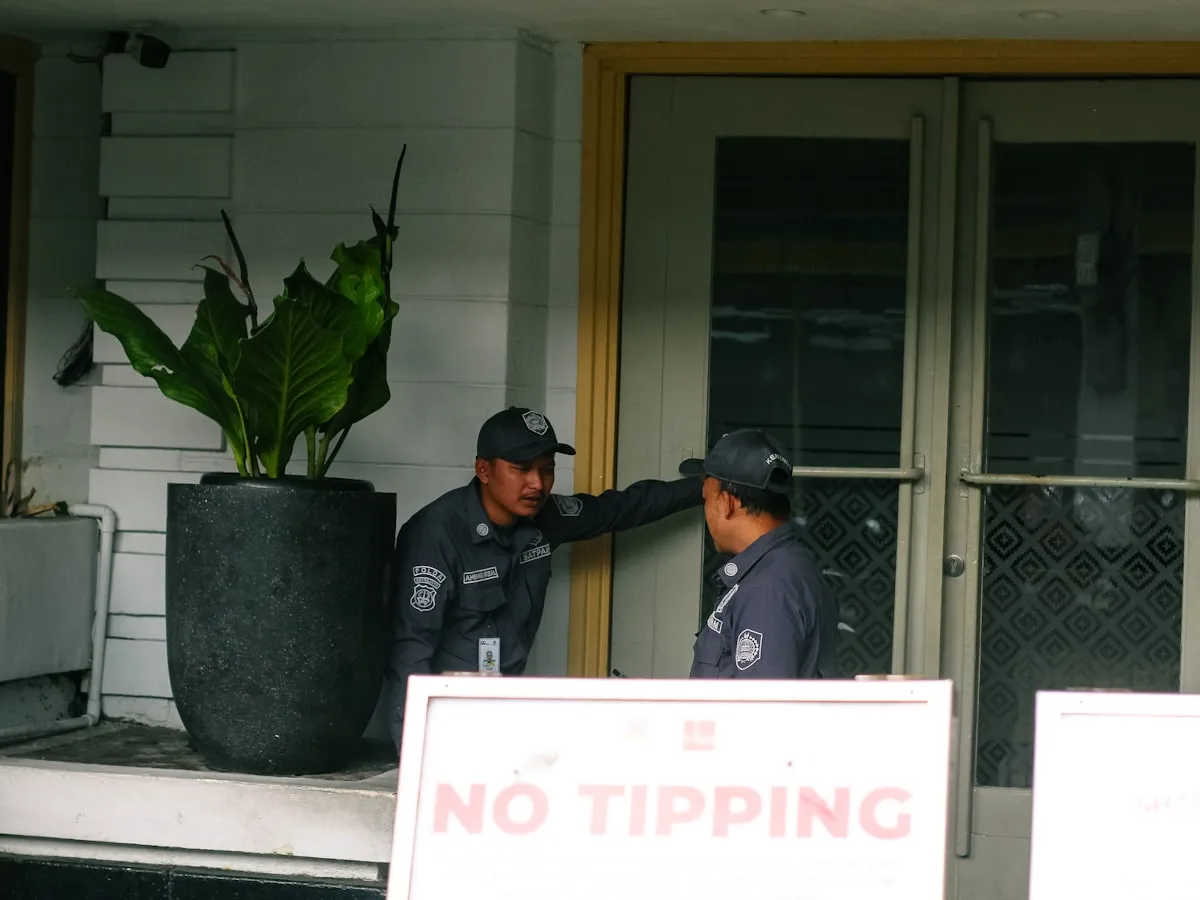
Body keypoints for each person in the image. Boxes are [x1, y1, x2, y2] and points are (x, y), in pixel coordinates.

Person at [387, 406, 703, 743]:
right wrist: (413, 747)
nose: (537, 484)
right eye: (522, 469)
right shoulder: (436, 534)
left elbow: (621, 508)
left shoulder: (545, 517)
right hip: (444, 718)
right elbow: (410, 650)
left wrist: (703, 488)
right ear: (484, 470)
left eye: (547, 469)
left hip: (502, 707)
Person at [681, 429, 838, 680]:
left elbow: (762, 702)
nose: (706, 511)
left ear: (727, 503)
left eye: (706, 500)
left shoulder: (766, 590)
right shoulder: (787, 564)